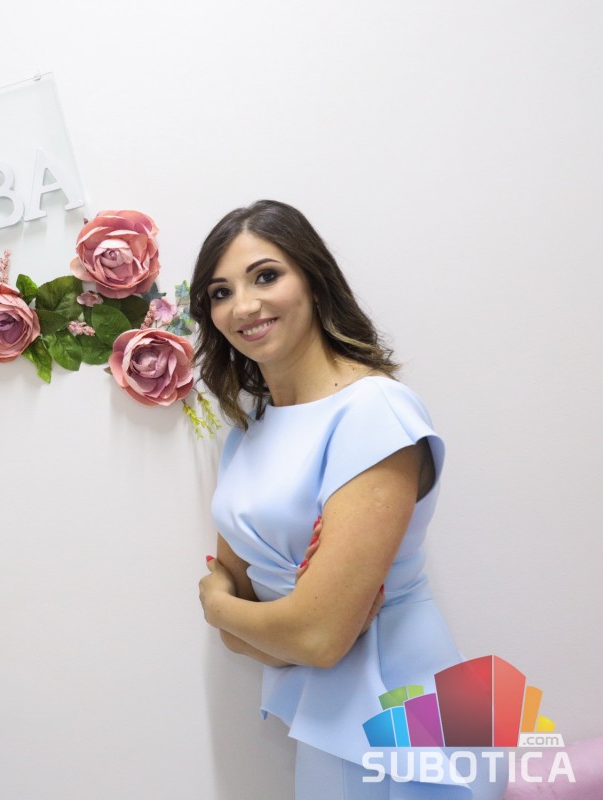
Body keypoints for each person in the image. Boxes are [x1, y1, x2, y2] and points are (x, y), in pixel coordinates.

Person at [191, 201, 501, 798]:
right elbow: (264, 635)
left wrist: (216, 606)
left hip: (413, 718)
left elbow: (315, 638)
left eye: (265, 276)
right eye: (220, 292)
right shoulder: (246, 434)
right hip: (326, 722)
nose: (244, 306)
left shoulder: (374, 411)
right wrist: (270, 622)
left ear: (313, 279)